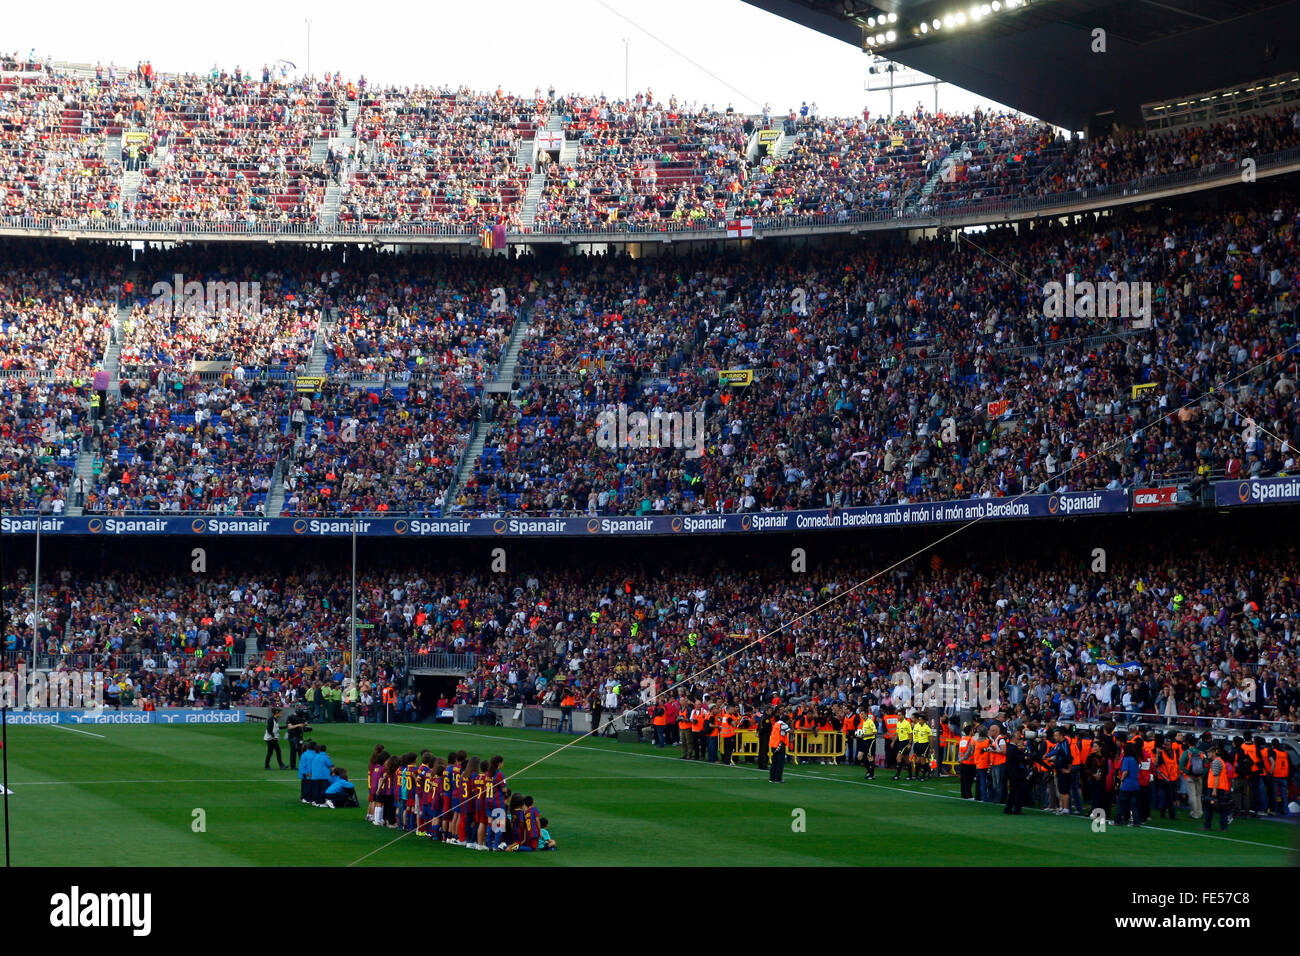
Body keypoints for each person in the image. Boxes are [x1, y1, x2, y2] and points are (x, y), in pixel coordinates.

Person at [1204, 746, 1232, 832]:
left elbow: (1216, 777)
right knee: (1223, 808)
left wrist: (1214, 790)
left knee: (1209, 808)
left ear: (1213, 753)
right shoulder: (1221, 761)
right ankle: (1223, 827)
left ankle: (1207, 826)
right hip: (1221, 788)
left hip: (1215, 788)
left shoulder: (1216, 762)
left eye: (1209, 752)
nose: (1208, 754)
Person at [1116, 742, 1142, 827]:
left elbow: (1125, 771)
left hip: (1127, 785)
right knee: (1133, 805)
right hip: (1135, 784)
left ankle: (1117, 821)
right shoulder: (1135, 759)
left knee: (1120, 803)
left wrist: (1121, 780)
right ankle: (1136, 822)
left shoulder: (1126, 759)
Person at [769, 712, 790, 783]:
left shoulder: (776, 723)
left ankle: (772, 778)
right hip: (780, 745)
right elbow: (791, 731)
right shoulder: (784, 725)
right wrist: (792, 725)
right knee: (780, 763)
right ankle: (778, 778)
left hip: (774, 744)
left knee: (774, 762)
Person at [860, 710, 879, 781]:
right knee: (859, 756)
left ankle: (871, 774)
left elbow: (875, 732)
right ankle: (869, 770)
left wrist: (865, 735)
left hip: (870, 741)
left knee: (870, 756)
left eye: (862, 714)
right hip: (864, 740)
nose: (861, 716)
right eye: (861, 714)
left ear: (866, 715)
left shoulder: (870, 722)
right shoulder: (864, 722)